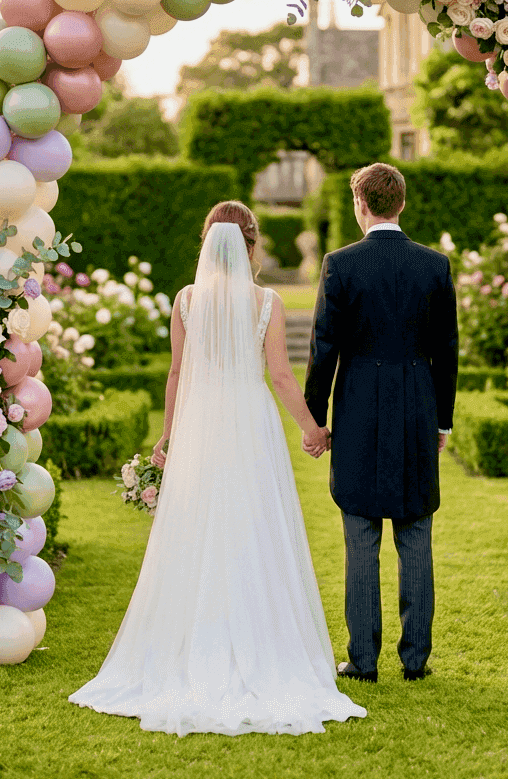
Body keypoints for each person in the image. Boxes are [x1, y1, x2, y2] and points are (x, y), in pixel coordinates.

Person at [69, 201, 366, 736]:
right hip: (250, 421)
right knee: (253, 527)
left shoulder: (186, 300)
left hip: (200, 422)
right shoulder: (266, 301)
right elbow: (280, 375)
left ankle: (192, 644)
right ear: (250, 245)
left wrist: (168, 434)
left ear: (207, 241)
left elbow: (176, 373)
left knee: (196, 529)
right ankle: (259, 643)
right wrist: (311, 428)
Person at [304, 163, 458, 683]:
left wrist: (314, 419)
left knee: (361, 537)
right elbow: (447, 351)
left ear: (361, 205)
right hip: (417, 409)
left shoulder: (340, 264)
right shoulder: (434, 265)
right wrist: (443, 421)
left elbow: (323, 347)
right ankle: (416, 660)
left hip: (358, 411)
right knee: (415, 533)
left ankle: (362, 661)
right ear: (402, 203)